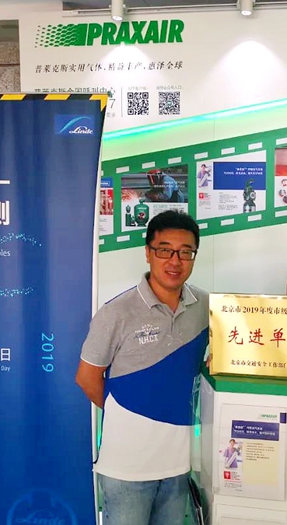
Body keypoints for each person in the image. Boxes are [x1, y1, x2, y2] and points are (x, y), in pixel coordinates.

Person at [76, 210, 208, 525]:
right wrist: (128, 415)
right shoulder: (116, 312)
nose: (175, 261)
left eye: (185, 252)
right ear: (148, 253)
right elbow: (87, 377)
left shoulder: (205, 306)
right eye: (164, 250)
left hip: (178, 465)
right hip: (126, 469)